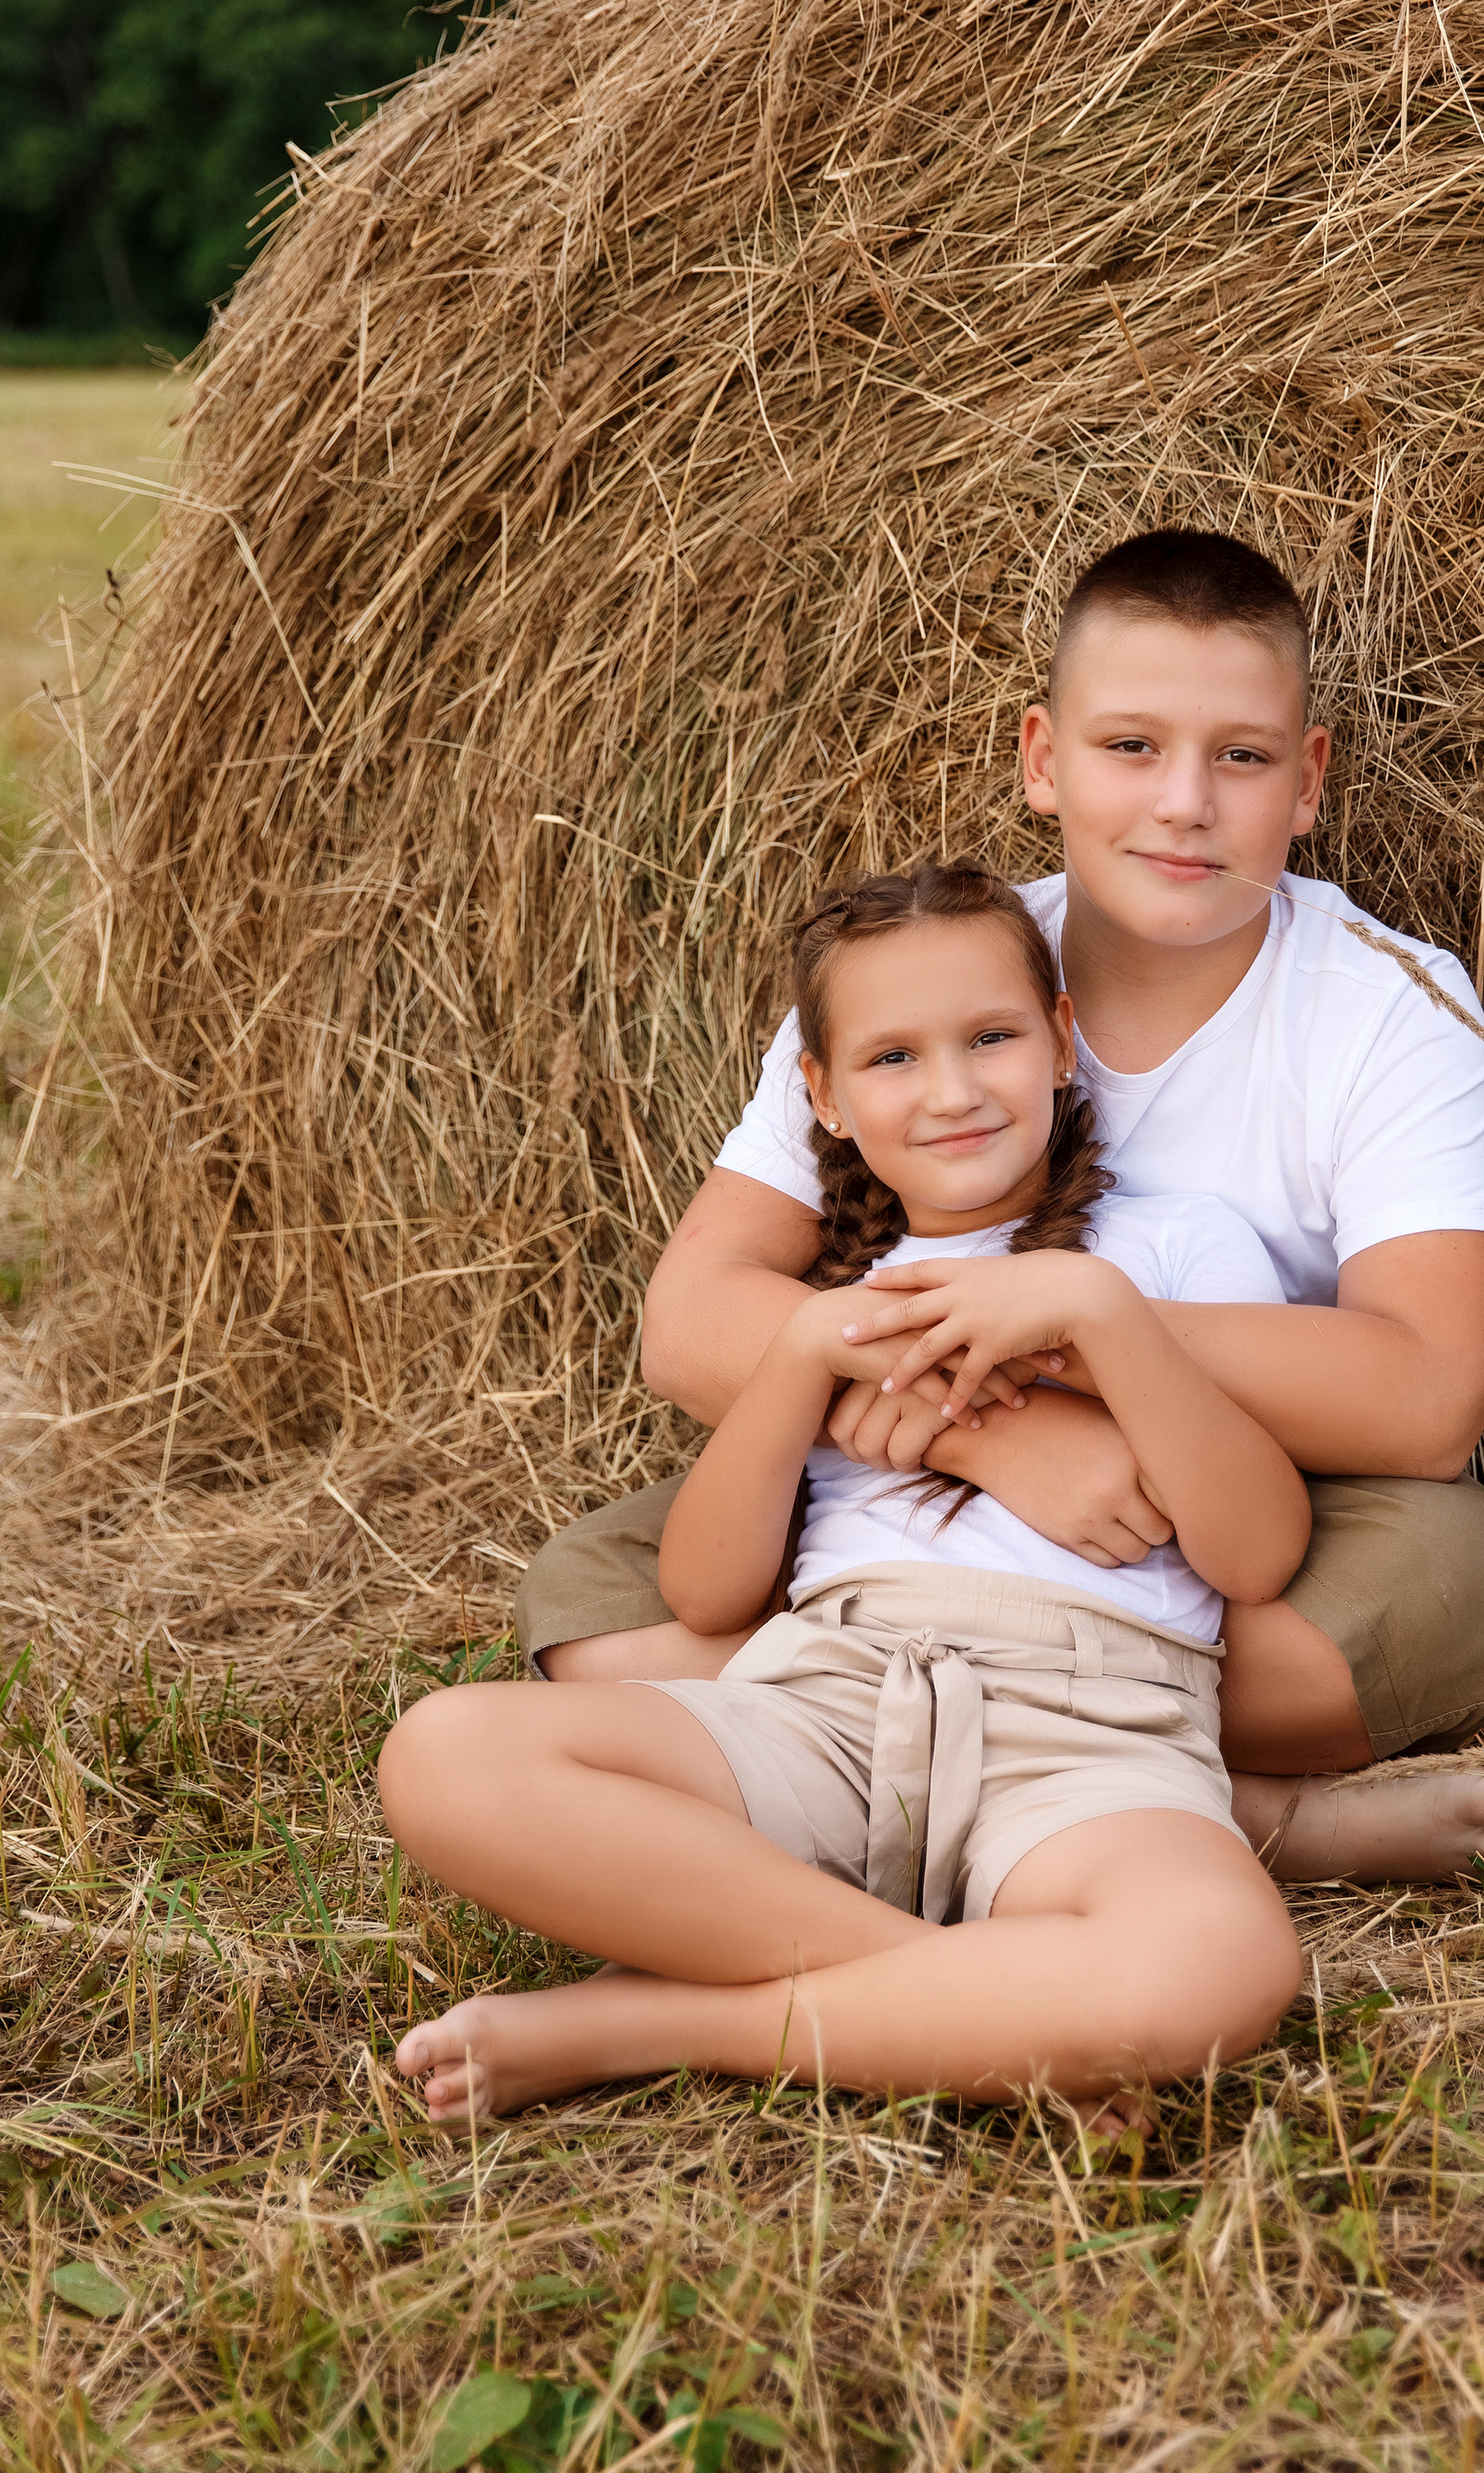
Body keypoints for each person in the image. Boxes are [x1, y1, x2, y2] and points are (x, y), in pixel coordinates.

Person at [518, 528, 1484, 1889]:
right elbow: (693, 1317)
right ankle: (1205, 1803)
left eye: (1239, 758)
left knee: (1445, 1588)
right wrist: (989, 1439)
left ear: (1305, 785)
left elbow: (1426, 1399)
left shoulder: (1389, 1009)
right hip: (935, 1507)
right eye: (1130, 747)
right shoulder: (924, 977)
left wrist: (1067, 1345)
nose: (1183, 801)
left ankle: (876, 1752)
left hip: (1255, 1501)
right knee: (587, 1601)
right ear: (1042, 760)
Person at [379, 860, 1325, 2126]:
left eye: (991, 1037)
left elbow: (1255, 1552)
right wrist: (803, 1359)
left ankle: (647, 2023)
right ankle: (970, 2007)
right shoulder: (838, 1299)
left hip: (1090, 1734)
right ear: (819, 1096)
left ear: (1061, 1044)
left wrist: (1106, 1319)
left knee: (1223, 1965)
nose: (950, 1090)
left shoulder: (1171, 1247)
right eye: (891, 1059)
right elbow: (710, 1591)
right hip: (829, 1698)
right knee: (447, 1752)